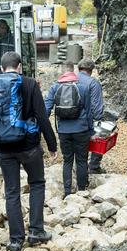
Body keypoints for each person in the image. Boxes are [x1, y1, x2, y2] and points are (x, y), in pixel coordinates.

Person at [0, 51, 58, 251]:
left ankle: (15, 240)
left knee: (12, 192)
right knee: (37, 184)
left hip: (4, 150)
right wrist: (52, 145)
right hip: (29, 147)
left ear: (1, 68)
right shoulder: (30, 83)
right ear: (20, 67)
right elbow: (42, 116)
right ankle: (36, 231)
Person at [45, 62, 97, 197]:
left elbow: (46, 109)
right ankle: (81, 191)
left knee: (67, 160)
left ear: (61, 72)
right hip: (81, 130)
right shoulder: (83, 88)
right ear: (73, 71)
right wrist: (91, 131)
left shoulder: (55, 87)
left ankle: (67, 192)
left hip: (63, 131)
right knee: (81, 160)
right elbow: (89, 112)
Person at [78, 58, 105, 174]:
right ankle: (94, 167)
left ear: (79, 68)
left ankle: (78, 169)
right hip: (86, 122)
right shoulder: (93, 84)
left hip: (68, 122)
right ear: (91, 70)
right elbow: (97, 108)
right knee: (101, 134)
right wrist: (99, 122)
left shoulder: (69, 80)